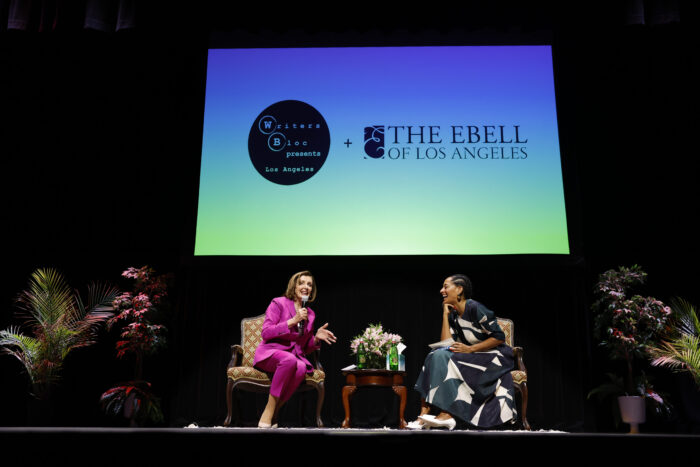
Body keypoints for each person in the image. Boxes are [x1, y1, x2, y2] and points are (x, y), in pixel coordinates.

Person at [409, 274, 515, 430]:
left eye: (446, 286)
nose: (441, 290)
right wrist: (445, 316)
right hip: (473, 355)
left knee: (443, 357)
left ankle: (447, 413)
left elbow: (499, 337)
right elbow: (445, 343)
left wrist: (470, 349)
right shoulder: (453, 315)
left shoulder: (475, 308)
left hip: (495, 357)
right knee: (434, 355)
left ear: (459, 289)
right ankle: (424, 413)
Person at [253, 270, 337, 428]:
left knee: (300, 367)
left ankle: (275, 413)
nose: (306, 287)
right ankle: (268, 411)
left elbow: (303, 347)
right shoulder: (278, 303)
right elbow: (266, 332)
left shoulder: (310, 314)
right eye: (302, 283)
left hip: (292, 358)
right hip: (270, 353)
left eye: (309, 284)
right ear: (294, 286)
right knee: (290, 359)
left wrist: (316, 338)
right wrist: (292, 321)